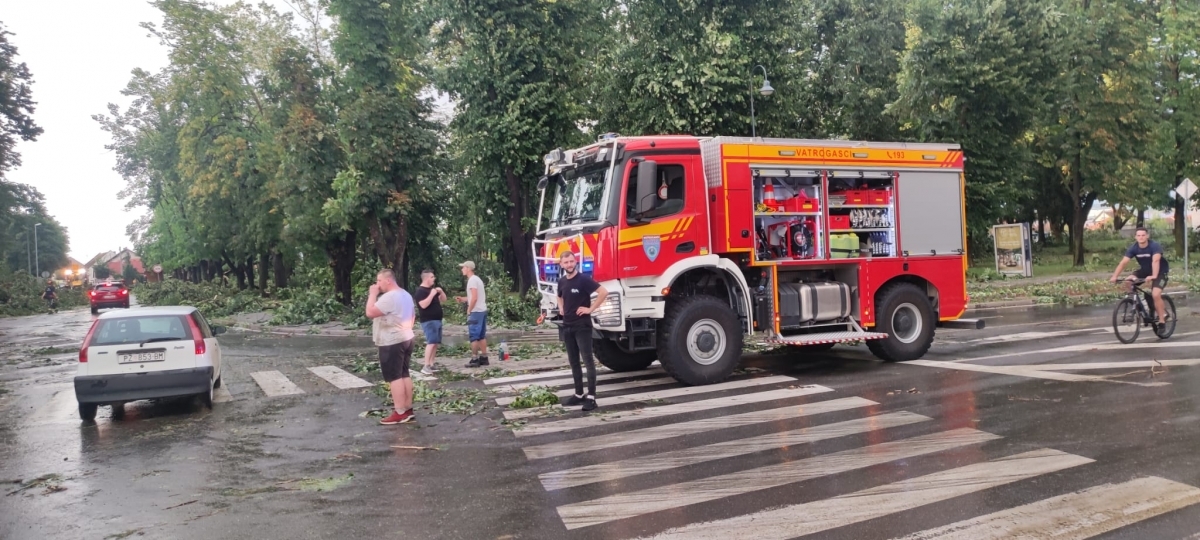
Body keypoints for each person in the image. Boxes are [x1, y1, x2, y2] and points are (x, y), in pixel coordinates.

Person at [555, 251, 608, 412]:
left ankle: (591, 397)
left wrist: (590, 308)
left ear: (575, 262)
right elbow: (559, 295)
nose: (569, 264)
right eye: (566, 262)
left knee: (587, 361)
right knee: (573, 361)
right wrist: (561, 307)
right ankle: (579, 394)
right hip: (568, 326)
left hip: (582, 326)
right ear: (561, 264)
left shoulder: (583, 279)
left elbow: (603, 292)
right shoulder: (562, 281)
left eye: (571, 261)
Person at [365, 269, 417, 425]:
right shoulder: (405, 294)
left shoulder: (389, 297)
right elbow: (413, 316)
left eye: (379, 281)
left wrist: (372, 294)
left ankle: (399, 411)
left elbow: (370, 312)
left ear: (388, 280)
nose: (377, 284)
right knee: (404, 374)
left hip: (392, 341)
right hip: (406, 336)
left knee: (394, 377)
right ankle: (407, 408)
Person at [1110, 227, 1171, 325]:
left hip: (1160, 272)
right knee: (1128, 281)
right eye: (1138, 235)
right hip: (1145, 271)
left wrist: (1154, 275)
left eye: (1143, 235)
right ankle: (1137, 304)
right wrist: (1114, 276)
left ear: (1147, 236)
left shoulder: (1154, 246)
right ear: (1135, 237)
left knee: (1155, 294)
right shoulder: (1134, 248)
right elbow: (1123, 263)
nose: (1141, 237)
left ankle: (1162, 320)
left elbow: (1156, 261)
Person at [455, 261, 489, 367]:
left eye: (463, 267)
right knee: (481, 336)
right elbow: (473, 297)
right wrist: (464, 299)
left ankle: (474, 359)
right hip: (482, 310)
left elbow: (474, 297)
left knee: (474, 336)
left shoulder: (472, 281)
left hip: (475, 312)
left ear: (468, 268)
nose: (462, 269)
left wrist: (469, 310)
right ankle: (484, 357)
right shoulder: (477, 279)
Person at [413, 269, 447, 376]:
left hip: (437, 319)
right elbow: (423, 305)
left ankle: (432, 364)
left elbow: (444, 300)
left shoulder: (432, 290)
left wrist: (441, 292)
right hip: (428, 321)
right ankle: (426, 365)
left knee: (435, 343)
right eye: (432, 277)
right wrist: (432, 295)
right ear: (427, 278)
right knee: (431, 342)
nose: (434, 279)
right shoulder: (420, 291)